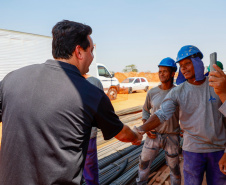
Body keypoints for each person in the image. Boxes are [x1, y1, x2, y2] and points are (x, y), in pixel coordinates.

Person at [0, 20, 142, 185]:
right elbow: (122, 133)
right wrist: (136, 136)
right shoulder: (90, 94)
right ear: (79, 52)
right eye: (91, 50)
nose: (92, 56)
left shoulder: (11, 79)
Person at [135, 45, 226, 185]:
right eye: (181, 65)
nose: (183, 68)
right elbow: (161, 114)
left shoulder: (216, 86)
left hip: (218, 149)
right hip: (192, 150)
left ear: (198, 62)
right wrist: (141, 129)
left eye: (187, 63)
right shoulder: (177, 92)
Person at [136, 58, 181, 185]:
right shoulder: (152, 92)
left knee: (174, 169)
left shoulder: (178, 92)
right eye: (160, 71)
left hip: (172, 136)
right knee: (143, 164)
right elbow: (145, 110)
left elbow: (185, 114)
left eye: (165, 71)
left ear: (173, 74)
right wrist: (147, 126)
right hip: (153, 135)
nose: (161, 74)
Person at [83, 75, 103, 185]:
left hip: (87, 133)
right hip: (87, 133)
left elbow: (102, 105)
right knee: (90, 166)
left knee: (89, 166)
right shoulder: (94, 82)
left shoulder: (94, 82)